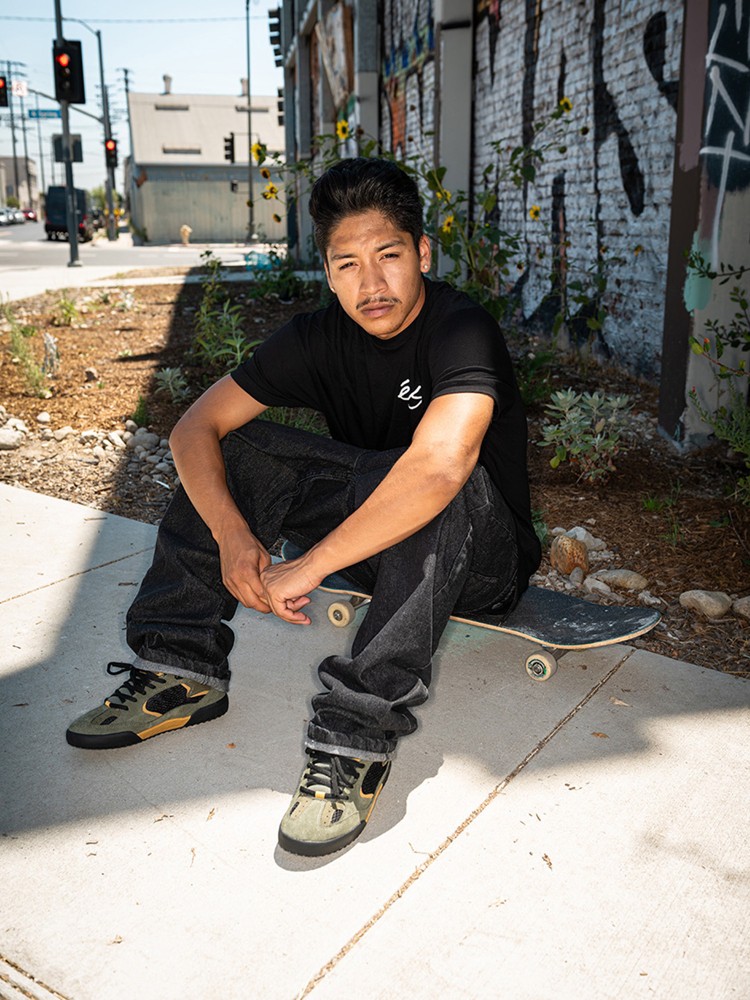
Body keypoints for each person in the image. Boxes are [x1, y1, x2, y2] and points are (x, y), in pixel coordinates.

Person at [66, 158, 541, 857]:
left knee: (439, 480)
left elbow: (441, 467)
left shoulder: (461, 328)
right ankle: (179, 667)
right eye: (348, 264)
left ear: (422, 254)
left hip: (480, 560)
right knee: (238, 446)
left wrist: (310, 565)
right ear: (327, 271)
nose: (371, 284)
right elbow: (193, 427)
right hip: (380, 546)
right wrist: (233, 536)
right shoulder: (317, 338)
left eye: (388, 257)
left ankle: (353, 738)